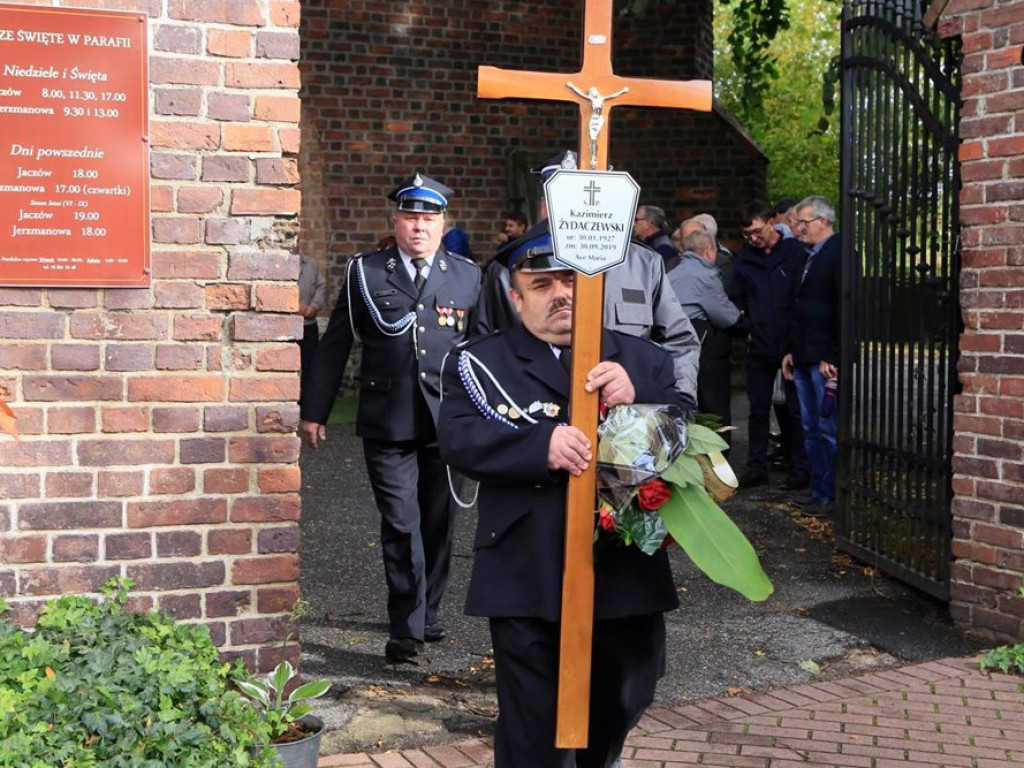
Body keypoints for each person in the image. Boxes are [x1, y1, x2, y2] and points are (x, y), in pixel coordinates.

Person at [437, 231, 684, 768]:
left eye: (572, 279)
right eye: (541, 283)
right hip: (529, 564)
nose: (561, 294)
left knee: (627, 691)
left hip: (621, 569)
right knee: (532, 724)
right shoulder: (482, 362)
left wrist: (638, 402)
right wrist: (538, 447)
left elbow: (688, 439)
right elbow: (458, 440)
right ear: (515, 295)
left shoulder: (643, 361)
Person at [299, 172, 482, 664]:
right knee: (401, 522)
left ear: (443, 223)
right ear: (395, 220)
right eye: (410, 217)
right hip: (388, 420)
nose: (419, 227)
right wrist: (315, 410)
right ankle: (406, 628)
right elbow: (337, 341)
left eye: (429, 218)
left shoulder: (467, 275)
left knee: (439, 524)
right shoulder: (367, 271)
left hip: (449, 420)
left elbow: (486, 351)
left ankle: (429, 611)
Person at [471, 150, 700, 404]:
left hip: (626, 418)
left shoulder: (644, 264)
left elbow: (679, 341)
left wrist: (673, 408)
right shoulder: (510, 270)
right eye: (560, 197)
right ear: (544, 205)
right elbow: (484, 345)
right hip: (534, 418)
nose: (573, 209)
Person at [728, 201, 809, 490]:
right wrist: (745, 327)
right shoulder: (745, 260)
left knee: (796, 410)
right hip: (760, 343)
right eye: (747, 234)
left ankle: (800, 467)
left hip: (790, 343)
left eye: (757, 231)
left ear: (771, 223)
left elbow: (803, 297)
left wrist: (795, 339)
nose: (753, 238)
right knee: (758, 410)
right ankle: (756, 467)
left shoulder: (795, 254)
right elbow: (735, 299)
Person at [782, 195, 840, 517]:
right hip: (803, 356)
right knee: (811, 427)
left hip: (824, 360)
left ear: (822, 221)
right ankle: (818, 491)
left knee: (828, 426)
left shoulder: (839, 253)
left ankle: (831, 494)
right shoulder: (808, 255)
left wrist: (833, 353)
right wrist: (790, 349)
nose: (798, 228)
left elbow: (844, 307)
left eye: (803, 222)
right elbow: (798, 307)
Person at [667, 228, 746, 433]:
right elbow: (728, 317)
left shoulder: (671, 274)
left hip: (671, 346)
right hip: (703, 348)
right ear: (709, 250)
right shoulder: (705, 275)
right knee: (713, 408)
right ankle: (717, 461)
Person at [297, 254, 326, 387]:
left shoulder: (311, 264)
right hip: (284, 326)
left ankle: (306, 403)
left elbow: (321, 286)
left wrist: (313, 308)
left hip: (308, 325)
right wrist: (293, 306)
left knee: (310, 366)